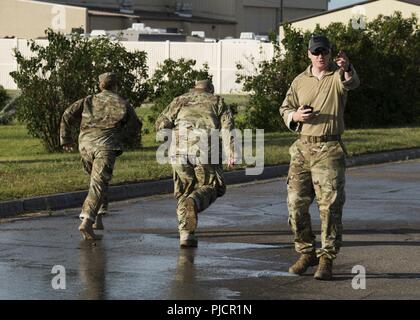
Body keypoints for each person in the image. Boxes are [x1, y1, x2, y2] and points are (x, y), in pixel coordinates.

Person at [279, 35, 360, 280]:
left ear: (330, 53)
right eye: (316, 52)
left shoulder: (337, 76)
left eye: (324, 52)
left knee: (330, 208)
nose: (320, 56)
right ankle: (306, 252)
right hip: (302, 149)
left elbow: (351, 83)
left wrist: (346, 68)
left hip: (329, 149)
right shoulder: (299, 80)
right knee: (295, 205)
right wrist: (295, 116)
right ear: (309, 55)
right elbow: (285, 108)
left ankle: (327, 258)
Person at [60, 72, 141, 240]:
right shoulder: (123, 103)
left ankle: (98, 218)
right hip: (105, 146)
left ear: (100, 86)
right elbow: (135, 126)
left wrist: (65, 139)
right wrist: (121, 137)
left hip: (85, 145)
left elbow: (67, 114)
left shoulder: (88, 100)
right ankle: (87, 222)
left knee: (96, 181)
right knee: (98, 183)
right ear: (116, 86)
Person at [155, 80, 236, 248]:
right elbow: (228, 128)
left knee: (184, 190)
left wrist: (169, 139)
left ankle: (186, 235)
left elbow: (161, 124)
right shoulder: (218, 101)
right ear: (211, 90)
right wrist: (231, 153)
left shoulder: (179, 100)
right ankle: (195, 201)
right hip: (205, 148)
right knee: (213, 186)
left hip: (178, 149)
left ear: (194, 88)